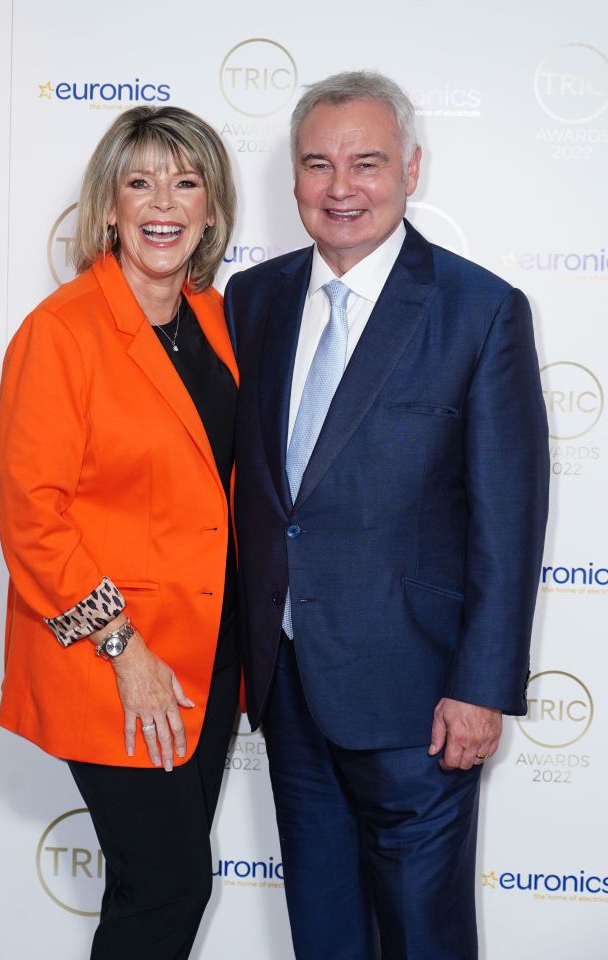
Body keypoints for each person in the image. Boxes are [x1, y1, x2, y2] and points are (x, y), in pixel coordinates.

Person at [225, 71, 549, 959]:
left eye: (366, 164)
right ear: (292, 180)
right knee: (323, 934)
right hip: (288, 686)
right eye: (317, 165)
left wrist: (483, 687)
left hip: (420, 701)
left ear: (411, 168)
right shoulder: (252, 303)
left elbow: (508, 520)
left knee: (422, 936)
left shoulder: (480, 312)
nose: (341, 189)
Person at [0, 105, 238, 960]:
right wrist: (124, 649)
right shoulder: (60, 333)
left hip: (209, 655)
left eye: (186, 181)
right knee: (173, 882)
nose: (162, 202)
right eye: (140, 182)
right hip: (123, 664)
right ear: (108, 206)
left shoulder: (213, 319)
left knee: (152, 886)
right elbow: (33, 518)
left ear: (212, 208)